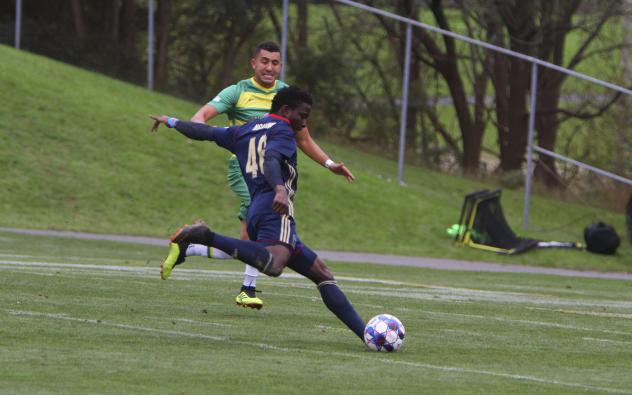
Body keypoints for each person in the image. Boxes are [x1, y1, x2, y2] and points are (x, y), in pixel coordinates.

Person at [150, 86, 366, 341]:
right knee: (274, 266)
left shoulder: (244, 130)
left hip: (256, 210)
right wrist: (279, 189)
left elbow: (205, 131)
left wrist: (173, 122)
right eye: (303, 115)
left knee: (322, 273)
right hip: (275, 208)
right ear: (285, 111)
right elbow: (272, 158)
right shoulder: (284, 129)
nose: (304, 122)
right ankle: (204, 236)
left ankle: (365, 334)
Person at [186, 41, 354, 310]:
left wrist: (329, 163)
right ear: (253, 63)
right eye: (264, 61)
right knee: (259, 238)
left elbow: (305, 139)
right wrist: (197, 131)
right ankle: (244, 286)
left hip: (274, 173)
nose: (269, 67)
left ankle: (194, 247)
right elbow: (203, 115)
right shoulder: (237, 92)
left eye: (275, 63)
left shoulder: (287, 96)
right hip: (246, 171)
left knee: (250, 241)